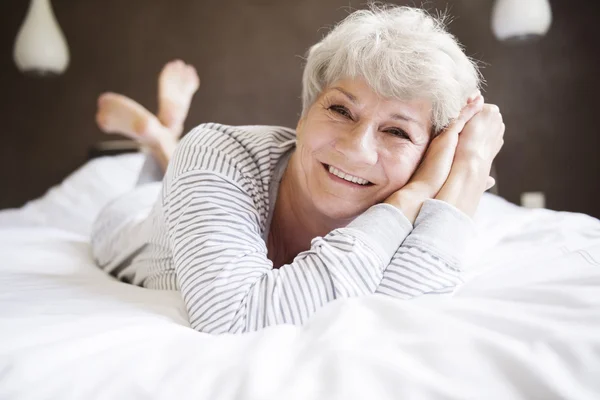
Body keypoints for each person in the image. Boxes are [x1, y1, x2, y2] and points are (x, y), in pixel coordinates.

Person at [92, 5, 504, 334]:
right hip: (134, 224)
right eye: (341, 110)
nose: (356, 150)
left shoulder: (421, 197)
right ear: (304, 115)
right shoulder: (218, 150)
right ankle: (165, 141)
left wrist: (465, 171)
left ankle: (164, 138)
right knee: (154, 186)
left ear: (429, 155)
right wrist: (413, 194)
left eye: (397, 131)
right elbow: (235, 318)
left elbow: (402, 313)